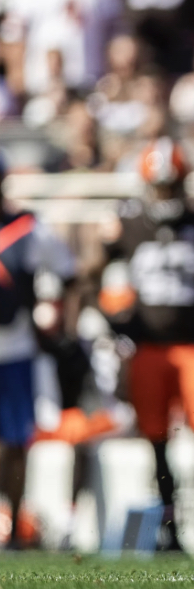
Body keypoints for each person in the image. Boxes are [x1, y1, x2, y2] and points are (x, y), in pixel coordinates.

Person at [97, 138, 194, 550]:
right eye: (160, 186)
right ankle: (168, 526)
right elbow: (93, 278)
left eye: (171, 186)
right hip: (147, 349)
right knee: (156, 440)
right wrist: (112, 326)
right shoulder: (128, 224)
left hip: (192, 346)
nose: (165, 194)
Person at [0, 154, 77, 549]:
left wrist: (61, 321)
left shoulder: (26, 228)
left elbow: (68, 269)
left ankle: (13, 522)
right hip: (16, 348)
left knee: (15, 442)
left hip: (15, 347)